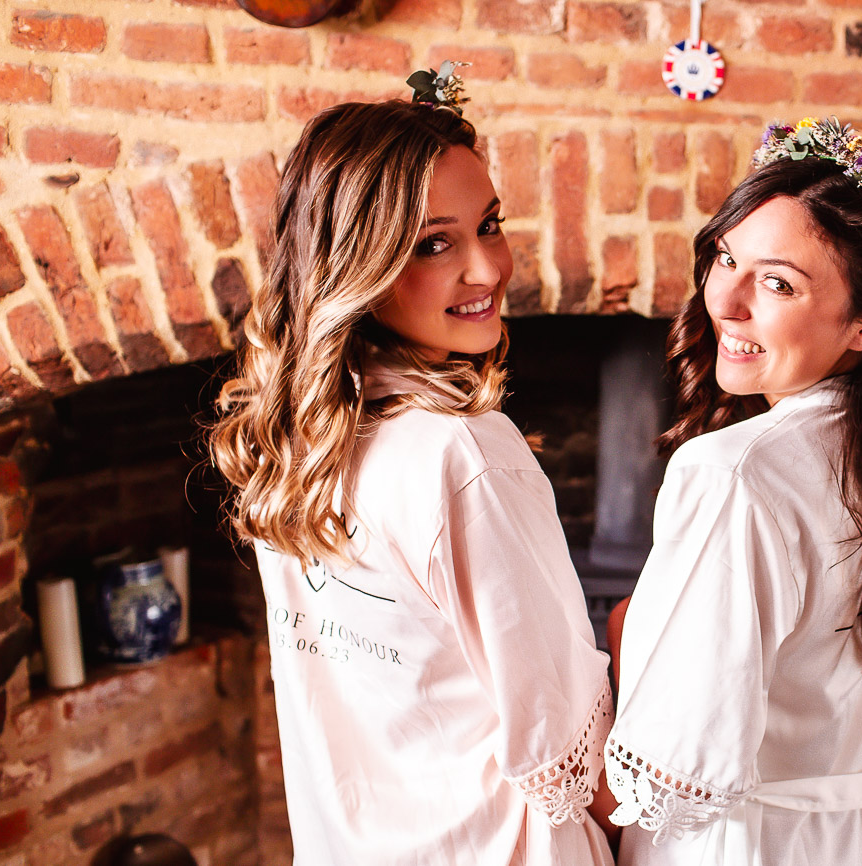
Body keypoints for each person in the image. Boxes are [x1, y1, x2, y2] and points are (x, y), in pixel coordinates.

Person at [209, 72, 615, 866]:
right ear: (359, 265)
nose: (488, 269)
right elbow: (563, 744)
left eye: (489, 224)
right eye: (435, 243)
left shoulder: (295, 447)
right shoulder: (461, 453)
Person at [604, 116, 862, 866]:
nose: (727, 302)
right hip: (854, 840)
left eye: (778, 283)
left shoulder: (733, 472)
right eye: (725, 259)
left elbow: (665, 777)